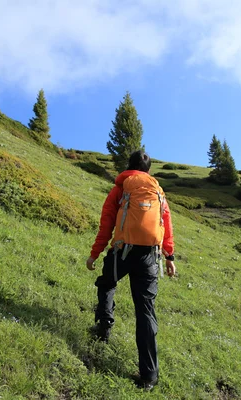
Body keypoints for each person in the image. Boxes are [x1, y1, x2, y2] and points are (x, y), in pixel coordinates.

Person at [86, 150, 176, 391]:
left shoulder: (121, 188)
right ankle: (149, 377)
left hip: (123, 251)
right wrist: (169, 255)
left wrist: (95, 253)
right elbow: (165, 223)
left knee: (106, 283)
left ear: (129, 166)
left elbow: (106, 223)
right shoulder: (157, 190)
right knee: (145, 311)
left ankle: (104, 328)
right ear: (148, 170)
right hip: (150, 255)